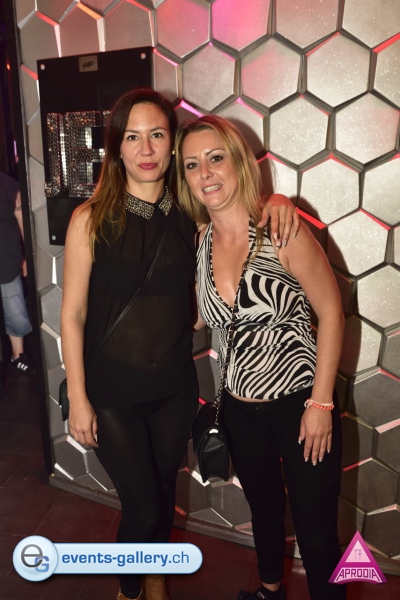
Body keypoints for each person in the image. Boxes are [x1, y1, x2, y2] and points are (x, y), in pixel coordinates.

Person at [61, 89, 299, 600]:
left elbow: (238, 215)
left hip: (173, 387)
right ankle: (129, 590)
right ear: (115, 147)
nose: (145, 148)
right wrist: (78, 397)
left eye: (157, 134)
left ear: (171, 144)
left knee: (165, 494)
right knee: (143, 504)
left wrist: (276, 201)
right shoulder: (90, 218)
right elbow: (73, 314)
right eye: (132, 137)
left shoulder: (191, 216)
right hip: (113, 391)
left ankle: (154, 577)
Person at [175, 115, 345, 600]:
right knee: (265, 514)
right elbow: (200, 319)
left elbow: (332, 313)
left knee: (316, 532)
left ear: (239, 163)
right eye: (192, 165)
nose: (205, 173)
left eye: (215, 158)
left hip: (301, 407)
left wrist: (321, 404)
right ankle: (270, 591)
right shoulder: (201, 242)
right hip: (239, 411)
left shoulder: (281, 228)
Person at [0, 171, 36, 374]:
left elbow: (22, 220)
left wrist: (26, 257)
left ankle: (18, 355)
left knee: (15, 308)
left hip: (7, 258)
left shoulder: (9, 185)